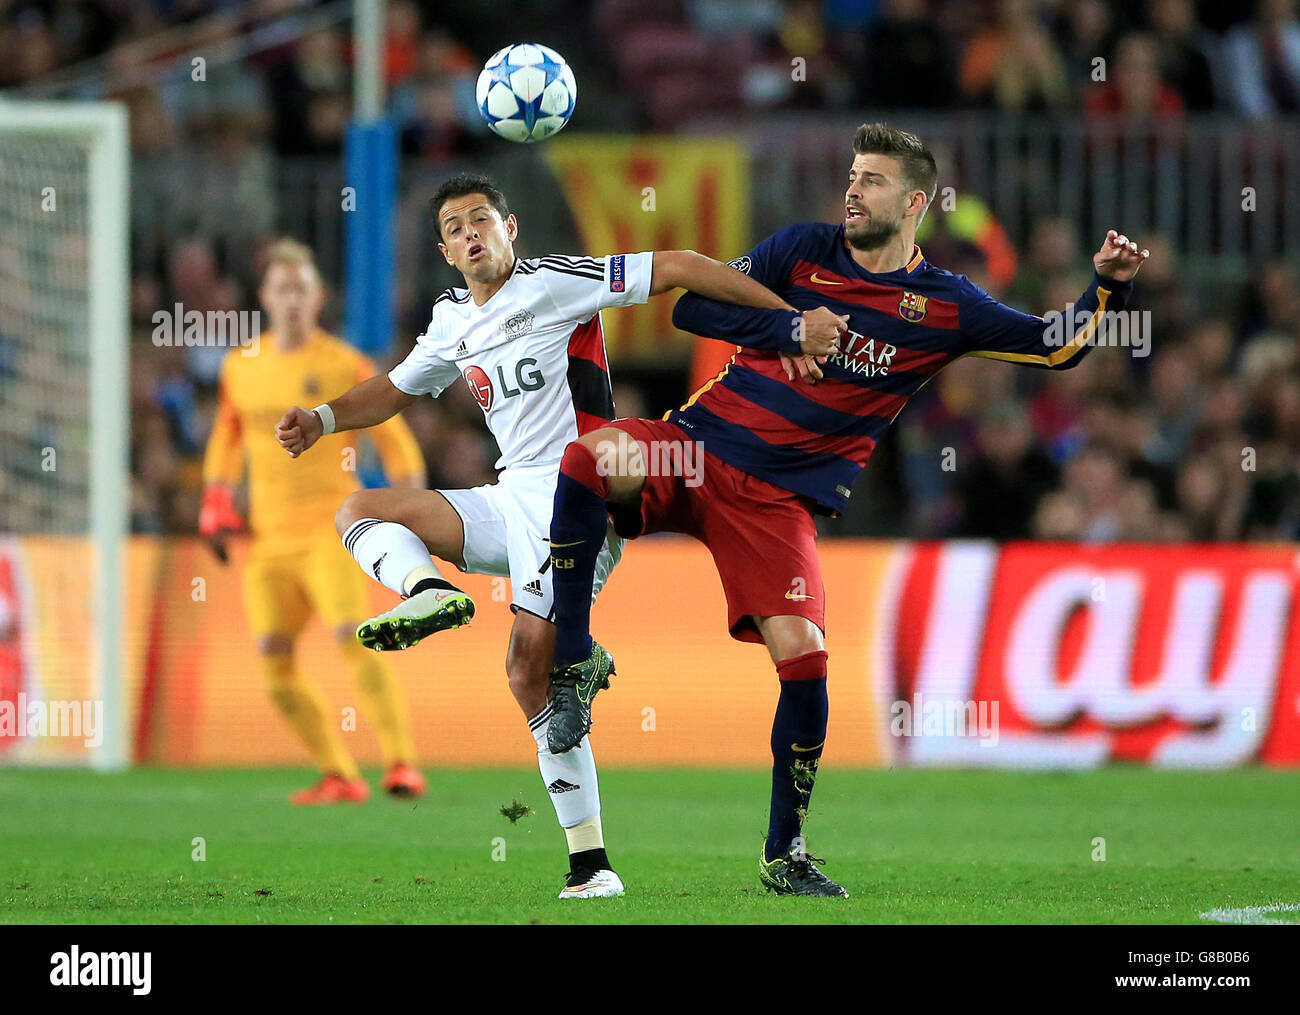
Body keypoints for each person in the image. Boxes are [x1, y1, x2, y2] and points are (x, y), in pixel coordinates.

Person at [544, 123, 1149, 897]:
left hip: (778, 503)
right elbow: (691, 310)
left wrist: (1109, 288)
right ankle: (573, 661)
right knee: (588, 458)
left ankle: (784, 853)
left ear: (916, 201)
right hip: (694, 451)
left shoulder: (946, 306)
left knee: (805, 661)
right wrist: (786, 324)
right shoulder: (800, 251)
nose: (853, 190)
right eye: (852, 175)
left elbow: (1054, 346)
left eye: (872, 179)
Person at [272, 173, 843, 898]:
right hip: (511, 494)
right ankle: (427, 591)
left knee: (527, 671)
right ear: (446, 252)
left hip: (579, 495)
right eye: (454, 228)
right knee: (358, 508)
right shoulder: (452, 321)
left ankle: (591, 864)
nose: (470, 232)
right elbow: (394, 388)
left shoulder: (555, 283)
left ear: (511, 230)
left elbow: (678, 269)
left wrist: (788, 321)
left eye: (482, 218)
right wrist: (319, 421)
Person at [200, 239, 428, 805]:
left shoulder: (342, 363)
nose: (293, 299)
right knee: (275, 662)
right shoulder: (241, 366)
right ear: (266, 297)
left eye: (302, 288)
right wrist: (215, 499)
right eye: (283, 289)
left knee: (353, 640)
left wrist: (413, 499)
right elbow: (227, 437)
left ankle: (401, 763)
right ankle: (340, 773)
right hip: (269, 542)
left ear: (319, 296)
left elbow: (394, 437)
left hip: (332, 531)